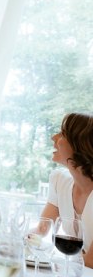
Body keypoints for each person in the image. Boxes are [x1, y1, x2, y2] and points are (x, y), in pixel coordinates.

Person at [41, 112, 93, 267]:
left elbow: (91, 261)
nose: (54, 137)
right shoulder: (59, 180)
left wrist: (52, 262)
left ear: (79, 144)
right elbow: (42, 228)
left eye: (62, 133)